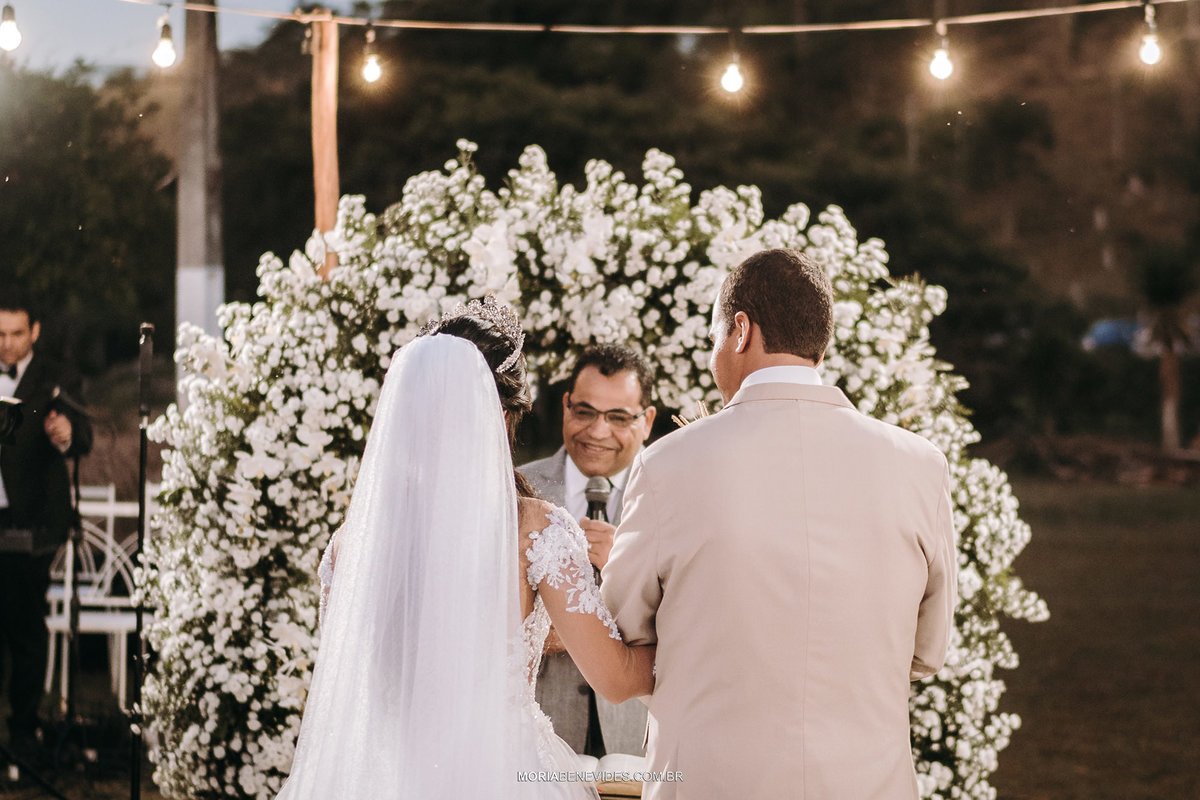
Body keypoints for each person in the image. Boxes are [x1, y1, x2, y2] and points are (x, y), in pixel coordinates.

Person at [602, 249, 957, 799]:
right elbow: (928, 652)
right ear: (819, 345)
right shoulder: (921, 467)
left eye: (714, 337)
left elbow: (623, 631)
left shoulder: (666, 464)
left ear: (741, 330)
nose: (713, 355)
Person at [276, 298, 656, 800]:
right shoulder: (535, 530)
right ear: (504, 414)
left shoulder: (353, 542)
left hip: (379, 779)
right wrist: (688, 635)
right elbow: (617, 679)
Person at [519, 344, 656, 757]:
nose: (597, 431)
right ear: (565, 406)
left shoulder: (675, 495)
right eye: (585, 412)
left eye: (618, 417)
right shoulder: (517, 492)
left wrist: (626, 565)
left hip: (639, 738)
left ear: (647, 420)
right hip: (540, 743)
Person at [0, 293, 93, 759]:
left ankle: (23, 732)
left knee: (24, 626)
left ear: (34, 331)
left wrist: (66, 433)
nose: (7, 344)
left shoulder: (57, 376)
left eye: (16, 334)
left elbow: (83, 435)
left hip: (31, 522)